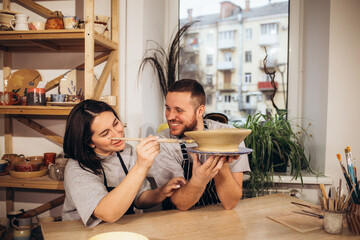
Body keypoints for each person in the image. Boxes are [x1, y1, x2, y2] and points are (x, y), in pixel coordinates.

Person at [62, 100, 185, 227]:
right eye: (105, 133)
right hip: (81, 232)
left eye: (115, 124)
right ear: (90, 142)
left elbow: (139, 199)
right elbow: (107, 213)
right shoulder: (77, 168)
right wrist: (141, 166)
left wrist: (162, 192)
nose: (117, 134)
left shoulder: (127, 151)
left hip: (122, 228)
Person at [152, 79, 251, 211]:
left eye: (179, 110)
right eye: (168, 108)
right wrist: (199, 179)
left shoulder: (230, 136)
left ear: (200, 111)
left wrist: (221, 163)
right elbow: (181, 203)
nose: (170, 116)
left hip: (217, 217)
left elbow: (230, 203)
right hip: (176, 221)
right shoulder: (163, 143)